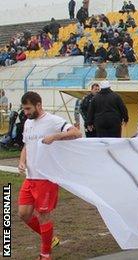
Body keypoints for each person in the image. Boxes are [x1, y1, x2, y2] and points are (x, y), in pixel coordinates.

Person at [17, 91, 82, 260]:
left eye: (28, 109)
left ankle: (45, 254)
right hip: (30, 177)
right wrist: (22, 161)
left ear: (38, 105)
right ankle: (50, 238)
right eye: (24, 109)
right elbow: (26, 145)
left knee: (44, 215)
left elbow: (76, 133)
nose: (26, 113)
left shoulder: (53, 121)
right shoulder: (28, 123)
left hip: (46, 178)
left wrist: (55, 136)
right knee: (23, 214)